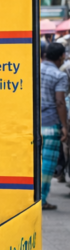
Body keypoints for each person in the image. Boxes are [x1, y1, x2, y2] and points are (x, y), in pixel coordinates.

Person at [40, 40, 68, 210]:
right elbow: (60, 102)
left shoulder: (34, 69)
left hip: (33, 124)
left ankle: (30, 197)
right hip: (50, 124)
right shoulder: (59, 75)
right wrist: (64, 126)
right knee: (47, 165)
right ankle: (41, 199)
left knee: (34, 163)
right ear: (62, 56)